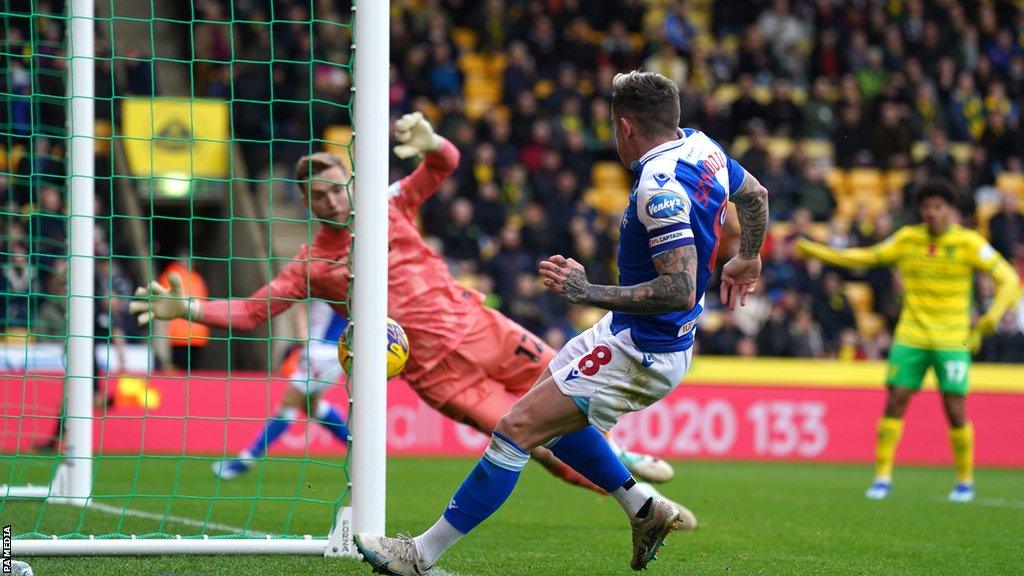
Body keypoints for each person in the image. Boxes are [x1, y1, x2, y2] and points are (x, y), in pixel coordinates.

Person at [129, 112, 677, 494]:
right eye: (317, 195)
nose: (330, 198)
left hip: (479, 326)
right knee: (540, 448)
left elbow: (443, 166)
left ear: (350, 182)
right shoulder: (309, 266)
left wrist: (433, 143)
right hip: (436, 375)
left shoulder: (387, 204)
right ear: (304, 202)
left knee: (568, 391)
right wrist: (191, 311)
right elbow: (253, 311)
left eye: (336, 186)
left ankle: (623, 459)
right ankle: (637, 499)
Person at [353, 71, 768, 575]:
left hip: (642, 349)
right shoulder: (704, 148)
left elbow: (679, 288)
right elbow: (757, 196)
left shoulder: (659, 187)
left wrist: (584, 291)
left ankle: (418, 556)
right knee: (544, 418)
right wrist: (748, 256)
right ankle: (644, 508)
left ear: (625, 127)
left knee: (514, 430)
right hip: (627, 334)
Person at [796, 180, 1021, 503]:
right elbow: (867, 256)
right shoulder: (908, 239)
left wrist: (991, 317)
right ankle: (883, 477)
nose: (932, 213)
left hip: (952, 340)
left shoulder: (969, 243)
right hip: (911, 335)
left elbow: (1009, 279)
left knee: (955, 408)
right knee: (895, 400)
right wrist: (818, 250)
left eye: (939, 207)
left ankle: (965, 481)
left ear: (951, 211)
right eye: (927, 207)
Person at [211, 300, 350, 479]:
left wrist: (304, 334)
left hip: (322, 353)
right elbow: (302, 306)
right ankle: (359, 451)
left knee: (288, 404)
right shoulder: (343, 279)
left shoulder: (331, 277)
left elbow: (302, 306)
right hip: (327, 351)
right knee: (311, 406)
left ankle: (246, 459)